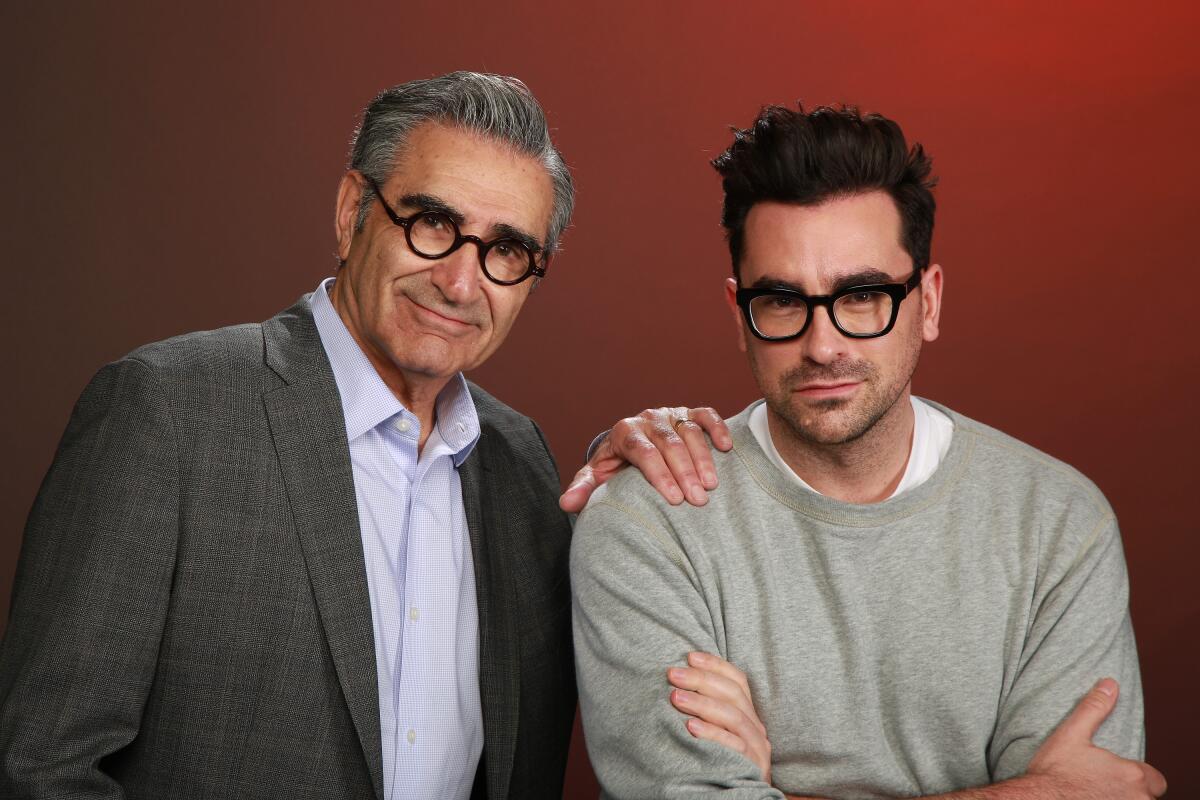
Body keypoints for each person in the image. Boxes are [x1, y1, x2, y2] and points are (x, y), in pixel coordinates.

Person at [0, 72, 728, 800]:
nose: (461, 283)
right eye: (433, 223)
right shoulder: (168, 412)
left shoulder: (525, 471)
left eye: (505, 250)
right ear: (352, 213)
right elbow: (43, 766)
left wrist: (629, 482)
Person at [571, 104, 1166, 798]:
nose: (823, 346)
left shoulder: (1059, 523)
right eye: (783, 301)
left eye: (862, 296)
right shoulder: (647, 521)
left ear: (930, 300)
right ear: (741, 316)